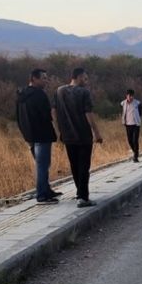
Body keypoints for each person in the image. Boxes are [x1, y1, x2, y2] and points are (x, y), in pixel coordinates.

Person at [53, 68, 103, 207]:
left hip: (67, 135)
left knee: (74, 165)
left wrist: (59, 129)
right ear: (79, 77)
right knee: (84, 166)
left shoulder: (59, 91)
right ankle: (83, 197)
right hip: (83, 135)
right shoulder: (84, 92)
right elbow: (88, 114)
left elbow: (54, 111)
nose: (86, 81)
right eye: (85, 78)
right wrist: (96, 133)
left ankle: (79, 193)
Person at [16, 68, 61, 204]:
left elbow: (18, 117)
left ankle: (46, 189)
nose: (46, 81)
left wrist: (25, 134)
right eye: (43, 78)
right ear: (34, 79)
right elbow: (47, 115)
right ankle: (42, 195)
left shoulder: (21, 95)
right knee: (43, 165)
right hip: (42, 134)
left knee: (41, 164)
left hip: (29, 135)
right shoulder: (39, 94)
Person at [120, 89, 142, 162]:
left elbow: (140, 113)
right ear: (126, 96)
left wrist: (138, 119)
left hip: (136, 124)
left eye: (132, 96)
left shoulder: (137, 103)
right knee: (130, 141)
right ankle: (135, 151)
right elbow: (122, 112)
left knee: (135, 140)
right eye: (129, 96)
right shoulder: (123, 103)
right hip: (128, 124)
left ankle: (135, 156)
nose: (131, 97)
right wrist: (123, 121)